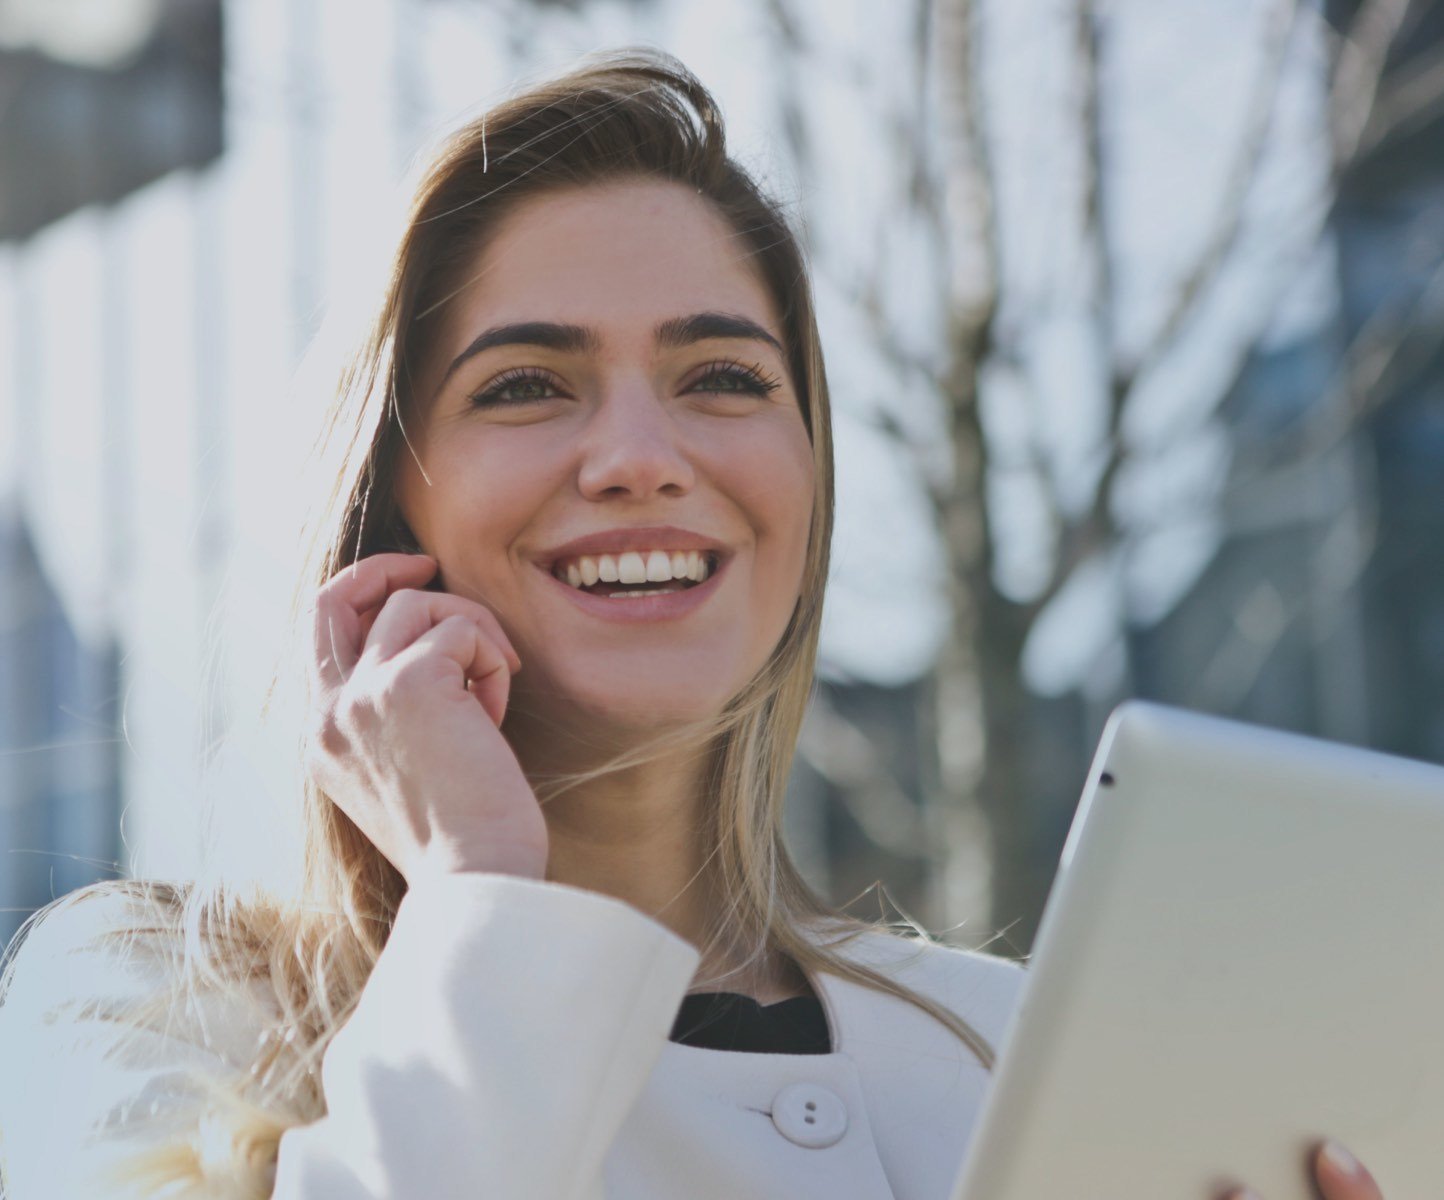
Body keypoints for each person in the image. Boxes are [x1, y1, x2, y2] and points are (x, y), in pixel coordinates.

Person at [0, 47, 1383, 1200]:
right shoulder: (136, 1010)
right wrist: (485, 890)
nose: (641, 456)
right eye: (528, 385)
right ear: (385, 506)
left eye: (723, 374)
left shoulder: (1008, 1045)